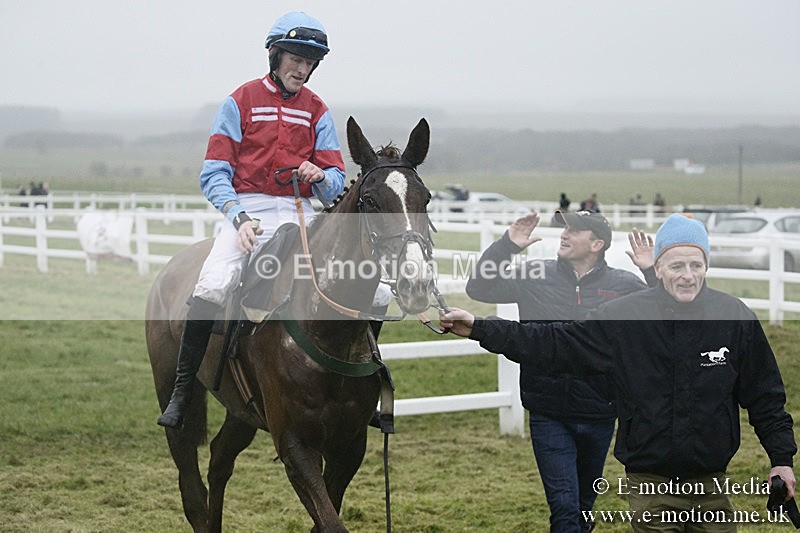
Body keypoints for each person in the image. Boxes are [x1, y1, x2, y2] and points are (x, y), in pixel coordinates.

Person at [444, 213, 797, 532]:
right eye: (675, 266)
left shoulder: (733, 317)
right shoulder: (623, 315)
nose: (687, 275)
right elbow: (552, 341)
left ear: (707, 266)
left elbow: (765, 397)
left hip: (710, 484)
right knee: (568, 511)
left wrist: (781, 460)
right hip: (644, 481)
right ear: (659, 268)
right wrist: (479, 328)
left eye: (695, 264)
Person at [158, 11, 347, 428]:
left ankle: (360, 384)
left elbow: (337, 179)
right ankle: (183, 388)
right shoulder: (240, 101)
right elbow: (214, 174)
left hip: (298, 210)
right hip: (246, 208)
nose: (302, 68)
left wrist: (322, 176)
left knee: (354, 281)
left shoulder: (318, 110)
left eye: (309, 61)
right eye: (295, 58)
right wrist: (238, 218)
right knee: (213, 282)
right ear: (275, 56)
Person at [466, 210, 656, 532]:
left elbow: (666, 315)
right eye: (564, 228)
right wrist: (507, 246)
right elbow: (479, 289)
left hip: (600, 413)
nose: (564, 234)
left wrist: (651, 273)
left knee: (582, 509)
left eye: (574, 230)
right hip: (548, 411)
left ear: (597, 243)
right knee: (565, 511)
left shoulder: (624, 285)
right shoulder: (534, 274)